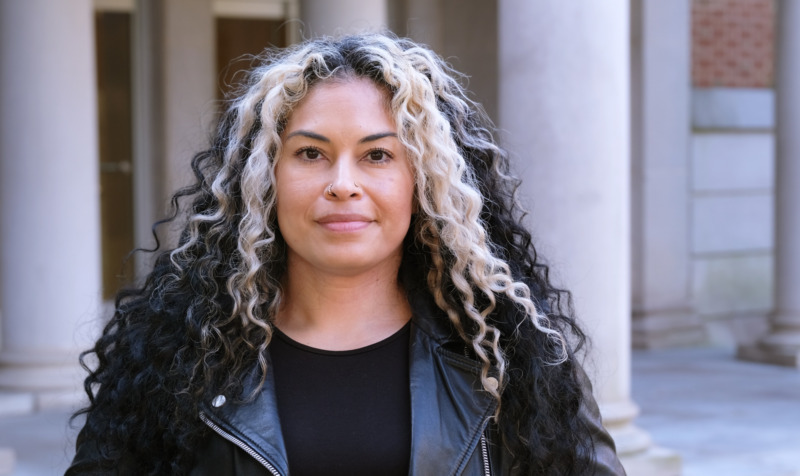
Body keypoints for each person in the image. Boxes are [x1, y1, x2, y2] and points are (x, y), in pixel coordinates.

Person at [67, 33, 626, 475]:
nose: (342, 184)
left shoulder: (509, 353)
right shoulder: (174, 353)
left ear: (422, 181)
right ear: (263, 179)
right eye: (311, 153)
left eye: (377, 156)